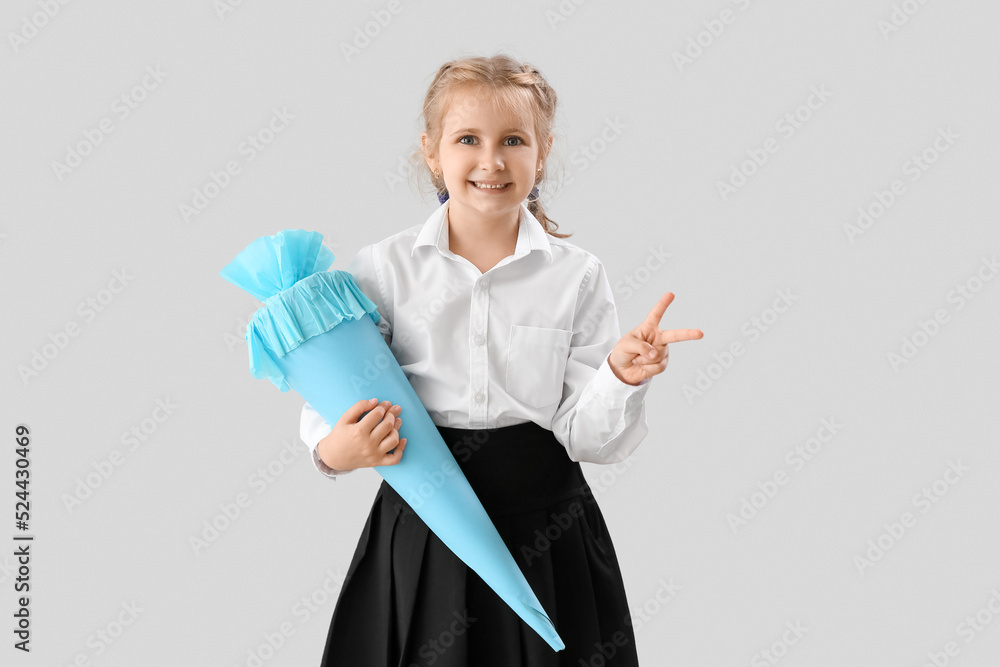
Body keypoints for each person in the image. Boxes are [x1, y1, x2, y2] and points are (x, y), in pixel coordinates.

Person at [300, 53, 703, 666]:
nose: (491, 161)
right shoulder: (383, 270)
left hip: (549, 533)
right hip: (428, 525)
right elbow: (330, 396)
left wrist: (621, 376)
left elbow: (588, 439)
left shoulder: (577, 276)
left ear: (543, 152)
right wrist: (336, 451)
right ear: (432, 151)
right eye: (468, 139)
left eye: (513, 140)